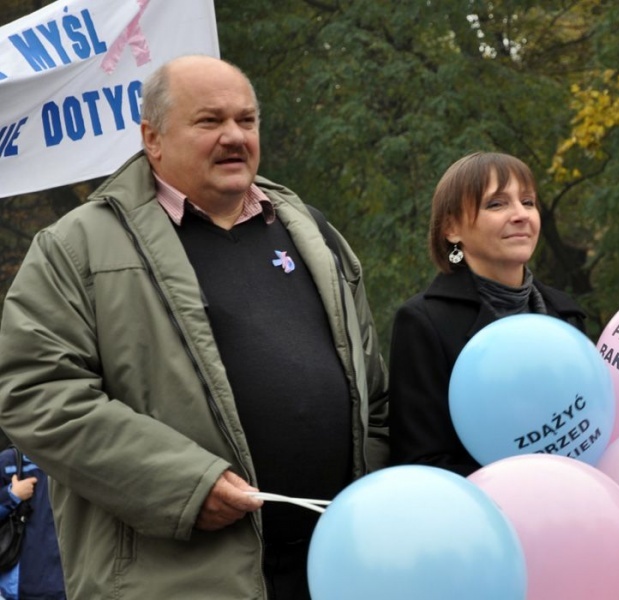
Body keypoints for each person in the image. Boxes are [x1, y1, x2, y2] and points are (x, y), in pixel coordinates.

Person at [0, 55, 389, 600]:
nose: (234, 136)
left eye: (246, 120)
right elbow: (36, 393)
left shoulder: (313, 232)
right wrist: (184, 486)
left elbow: (373, 395)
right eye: (210, 121)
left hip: (336, 568)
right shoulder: (75, 247)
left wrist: (373, 495)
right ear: (152, 138)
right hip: (177, 580)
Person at [388, 151, 587, 477]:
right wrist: (519, 484)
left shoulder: (566, 315)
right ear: (451, 228)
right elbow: (421, 465)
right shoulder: (423, 322)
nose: (521, 215)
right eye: (497, 204)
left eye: (528, 202)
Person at [0, 447, 65, 600]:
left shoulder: (70, 460)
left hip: (65, 584)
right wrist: (11, 495)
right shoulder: (8, 461)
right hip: (20, 587)